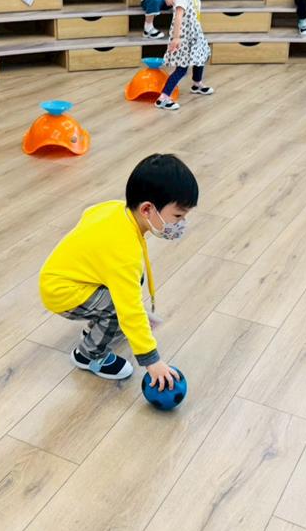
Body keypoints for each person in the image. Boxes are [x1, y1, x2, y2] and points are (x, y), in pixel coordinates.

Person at [39, 153, 197, 390]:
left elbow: (89, 213)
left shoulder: (115, 208)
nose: (181, 223)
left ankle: (96, 330)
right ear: (147, 209)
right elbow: (130, 310)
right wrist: (152, 361)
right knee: (118, 307)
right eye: (178, 216)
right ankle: (88, 354)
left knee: (130, 283)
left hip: (61, 276)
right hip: (61, 292)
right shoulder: (125, 253)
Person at [155, 0, 213, 111]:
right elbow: (178, 16)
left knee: (200, 57)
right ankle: (163, 98)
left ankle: (197, 83)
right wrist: (176, 38)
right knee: (181, 68)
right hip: (184, 38)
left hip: (195, 35)